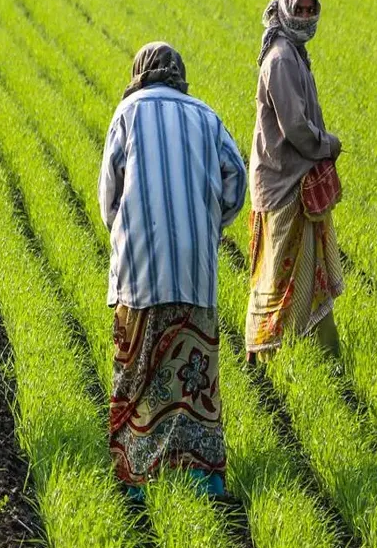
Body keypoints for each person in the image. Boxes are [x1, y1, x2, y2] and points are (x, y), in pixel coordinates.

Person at [99, 42, 246, 500]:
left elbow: (109, 195)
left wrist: (125, 229)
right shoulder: (207, 115)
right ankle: (204, 477)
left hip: (141, 269)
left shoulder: (128, 113)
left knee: (139, 371)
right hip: (194, 270)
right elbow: (236, 181)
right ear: (178, 74)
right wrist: (206, 224)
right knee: (191, 375)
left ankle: (136, 480)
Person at [245, 0, 344, 363]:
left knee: (308, 270)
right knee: (278, 276)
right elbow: (297, 130)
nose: (305, 17)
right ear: (286, 9)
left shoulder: (294, 51)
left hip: (294, 181)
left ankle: (327, 355)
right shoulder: (283, 59)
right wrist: (328, 145)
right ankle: (259, 351)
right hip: (283, 184)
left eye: (310, 9)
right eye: (298, 9)